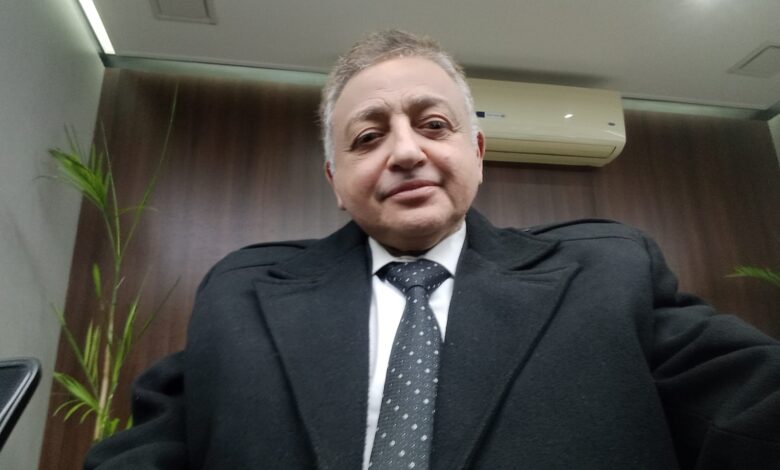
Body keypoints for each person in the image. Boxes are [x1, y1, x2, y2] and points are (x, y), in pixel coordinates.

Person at [85, 30, 780, 470]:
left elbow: (752, 401)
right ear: (334, 181)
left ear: (476, 152)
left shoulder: (609, 269)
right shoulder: (241, 291)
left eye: (434, 125)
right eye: (368, 137)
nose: (406, 152)